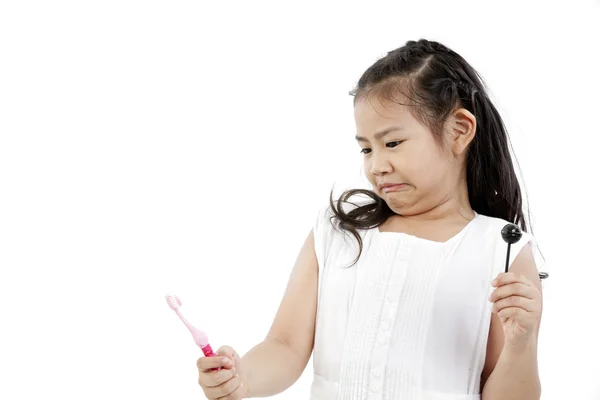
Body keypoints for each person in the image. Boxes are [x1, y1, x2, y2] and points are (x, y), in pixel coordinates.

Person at [196, 39, 543, 400]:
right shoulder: (338, 233)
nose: (377, 165)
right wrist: (242, 378)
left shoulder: (501, 249)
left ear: (458, 130)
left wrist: (522, 344)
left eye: (392, 143)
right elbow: (284, 345)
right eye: (366, 148)